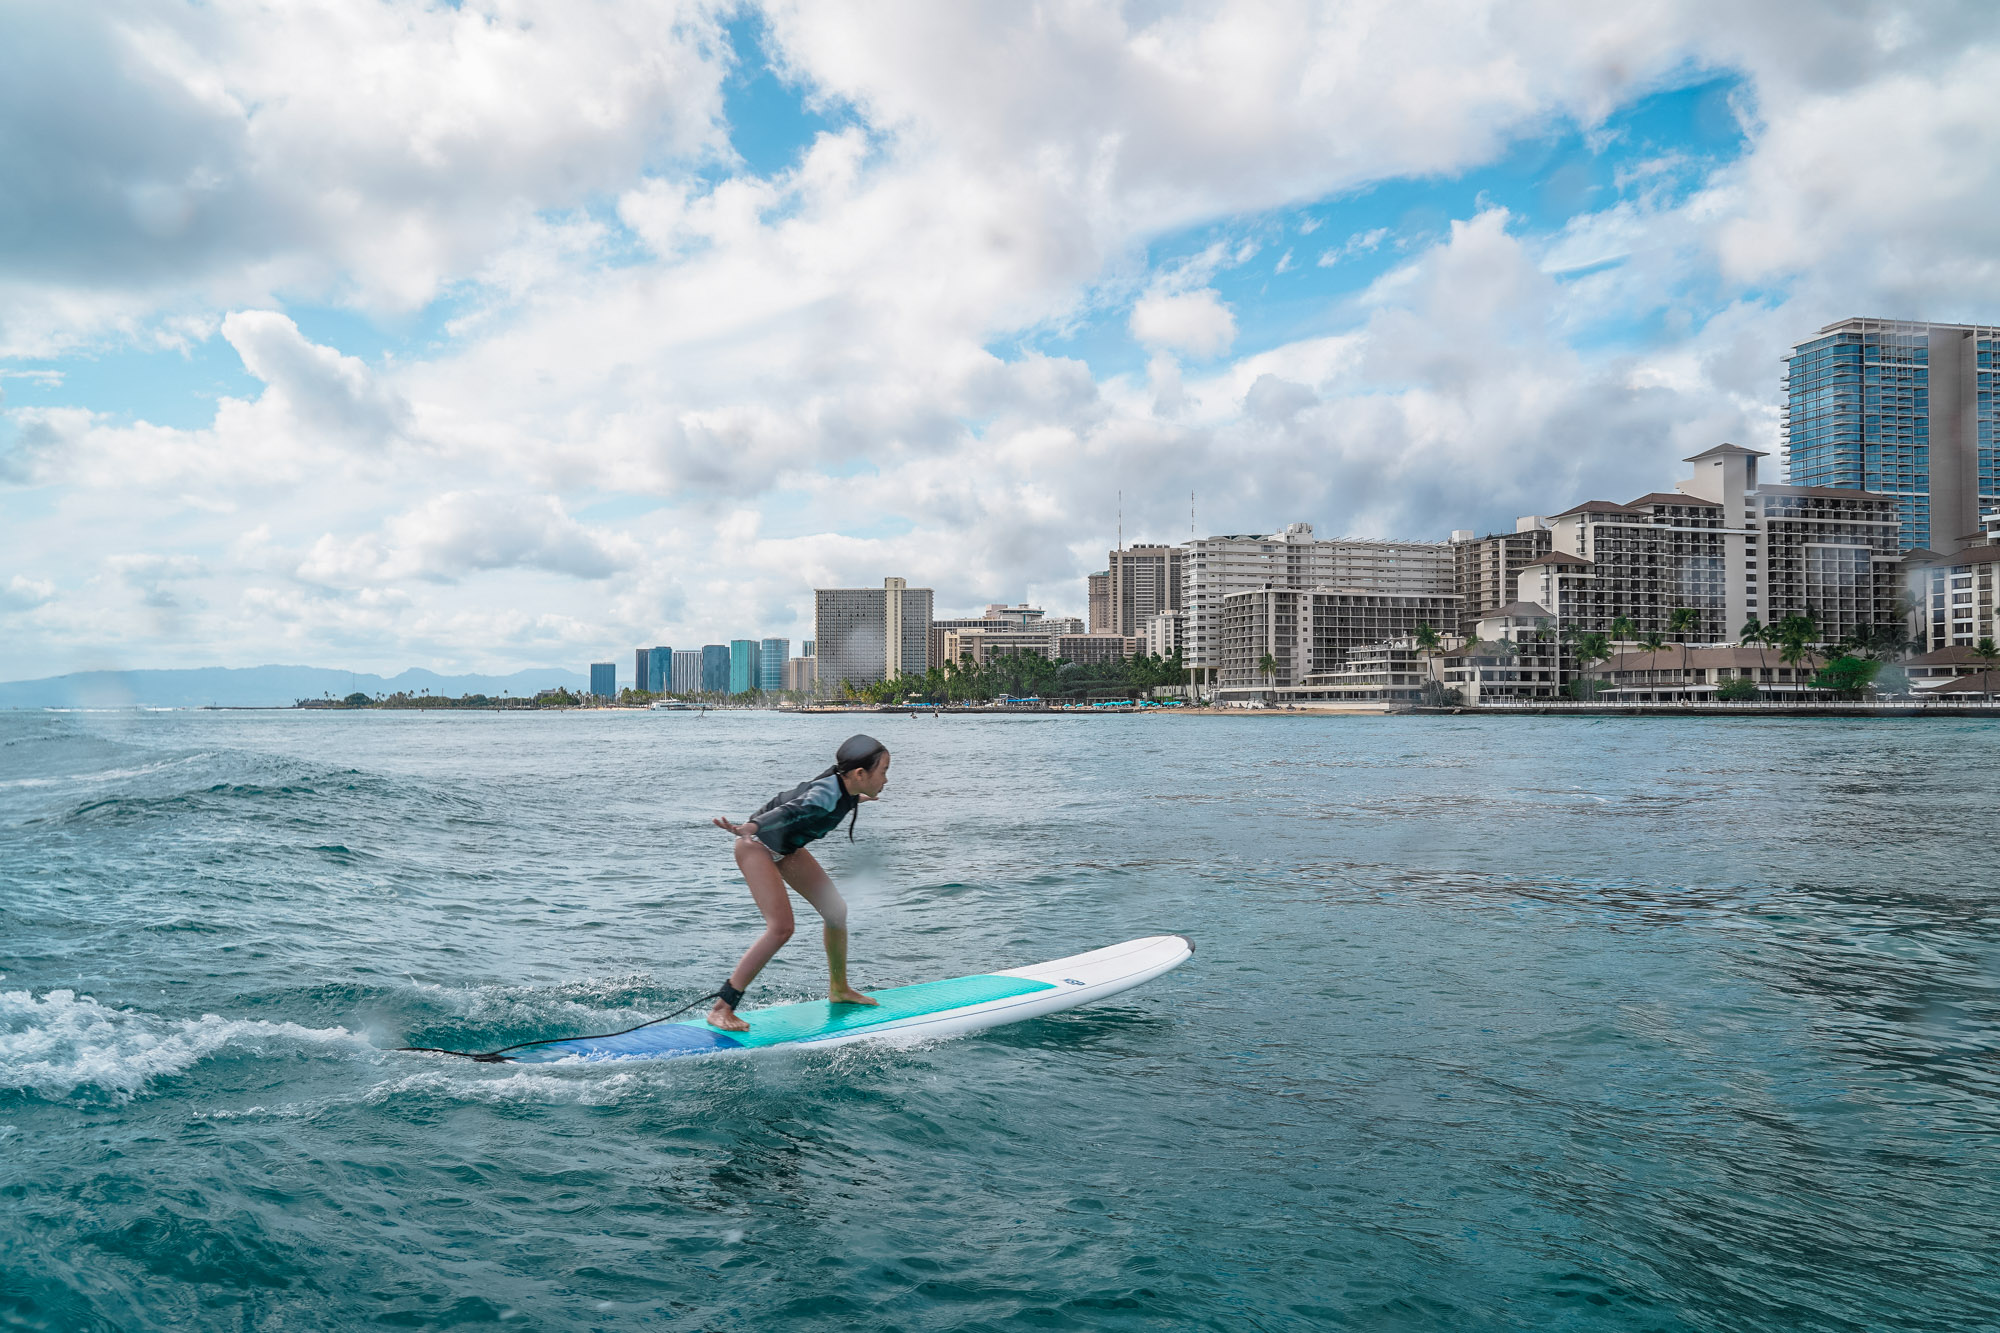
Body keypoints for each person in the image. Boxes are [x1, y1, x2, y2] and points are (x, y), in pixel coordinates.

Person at [706, 734, 890, 1031]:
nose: (885, 779)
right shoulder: (826, 794)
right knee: (781, 928)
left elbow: (834, 796)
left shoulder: (845, 787)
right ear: (859, 773)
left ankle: (839, 989)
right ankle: (722, 1008)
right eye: (883, 771)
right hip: (756, 844)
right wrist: (751, 826)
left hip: (786, 849)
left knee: (835, 912)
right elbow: (790, 809)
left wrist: (861, 796)